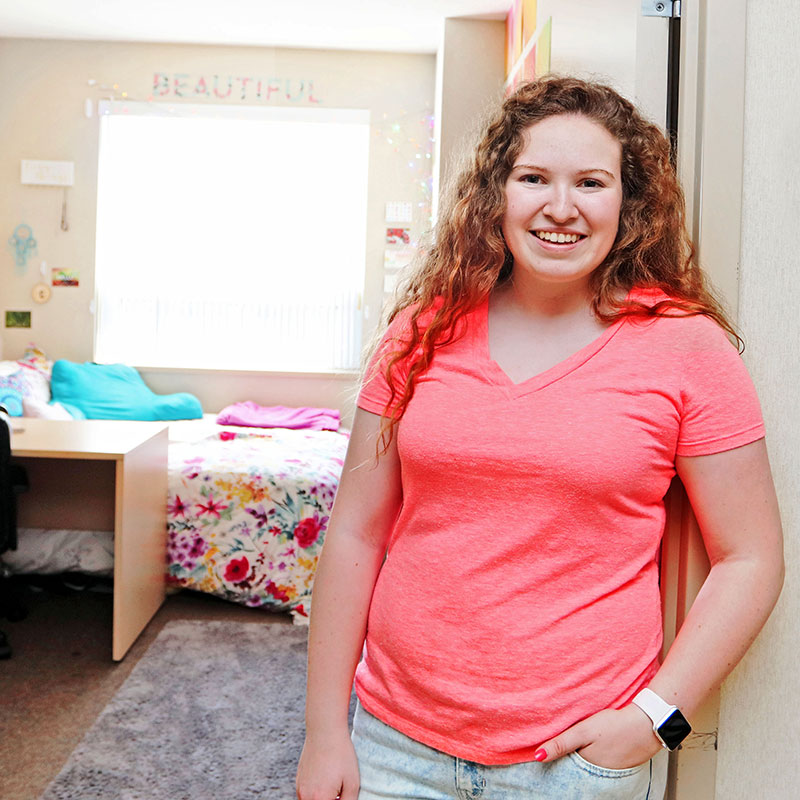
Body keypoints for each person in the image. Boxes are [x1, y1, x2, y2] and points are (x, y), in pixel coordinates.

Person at [296, 76, 784, 800]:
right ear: (498, 192)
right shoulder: (421, 331)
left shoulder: (687, 349)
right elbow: (356, 536)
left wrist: (654, 722)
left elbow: (751, 557)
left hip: (576, 767)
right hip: (392, 745)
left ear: (630, 200)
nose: (561, 208)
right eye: (534, 178)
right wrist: (323, 731)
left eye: (591, 181)